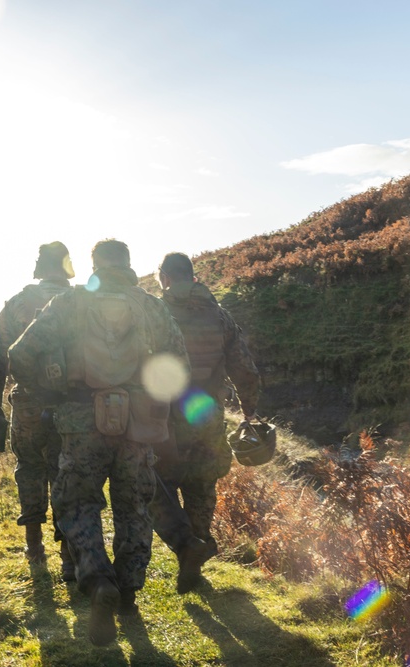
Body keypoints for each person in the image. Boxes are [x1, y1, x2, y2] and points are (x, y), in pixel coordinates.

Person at [8, 239, 189, 646]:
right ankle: (127, 591)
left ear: (92, 265)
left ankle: (96, 579)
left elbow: (20, 353)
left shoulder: (69, 304)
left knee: (77, 503)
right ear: (128, 264)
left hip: (79, 421)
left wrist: (50, 393)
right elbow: (179, 361)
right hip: (138, 425)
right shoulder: (150, 305)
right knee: (135, 504)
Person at [151, 252, 261, 593]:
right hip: (208, 414)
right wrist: (249, 412)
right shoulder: (219, 315)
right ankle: (194, 562)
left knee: (155, 487)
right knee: (201, 487)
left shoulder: (154, 314)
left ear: (165, 278)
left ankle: (185, 547)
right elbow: (244, 369)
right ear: (193, 276)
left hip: (164, 416)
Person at [0, 241, 75, 572]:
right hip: (71, 407)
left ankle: (34, 549)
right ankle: (69, 556)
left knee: (30, 470)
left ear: (39, 267)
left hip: (28, 405)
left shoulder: (17, 304)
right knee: (66, 472)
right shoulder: (80, 304)